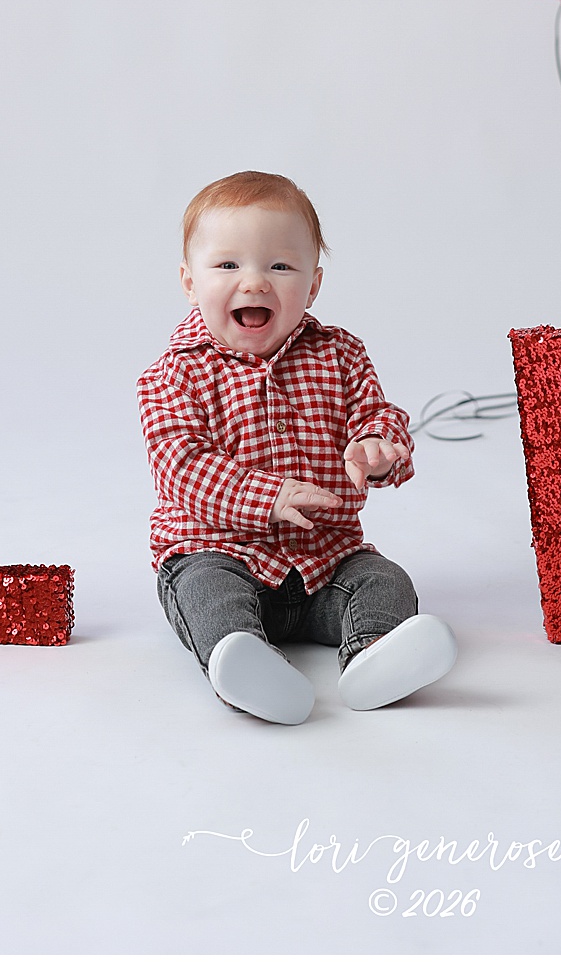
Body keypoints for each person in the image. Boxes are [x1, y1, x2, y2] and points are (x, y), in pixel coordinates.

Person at [137, 170, 457, 724]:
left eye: (280, 266)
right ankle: (242, 661)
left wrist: (379, 447)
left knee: (385, 581)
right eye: (228, 265)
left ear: (312, 285)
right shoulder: (172, 375)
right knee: (207, 594)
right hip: (221, 549)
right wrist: (269, 495)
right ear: (190, 282)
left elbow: (377, 413)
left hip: (325, 561)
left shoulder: (340, 355)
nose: (255, 282)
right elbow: (180, 465)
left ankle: (374, 658)